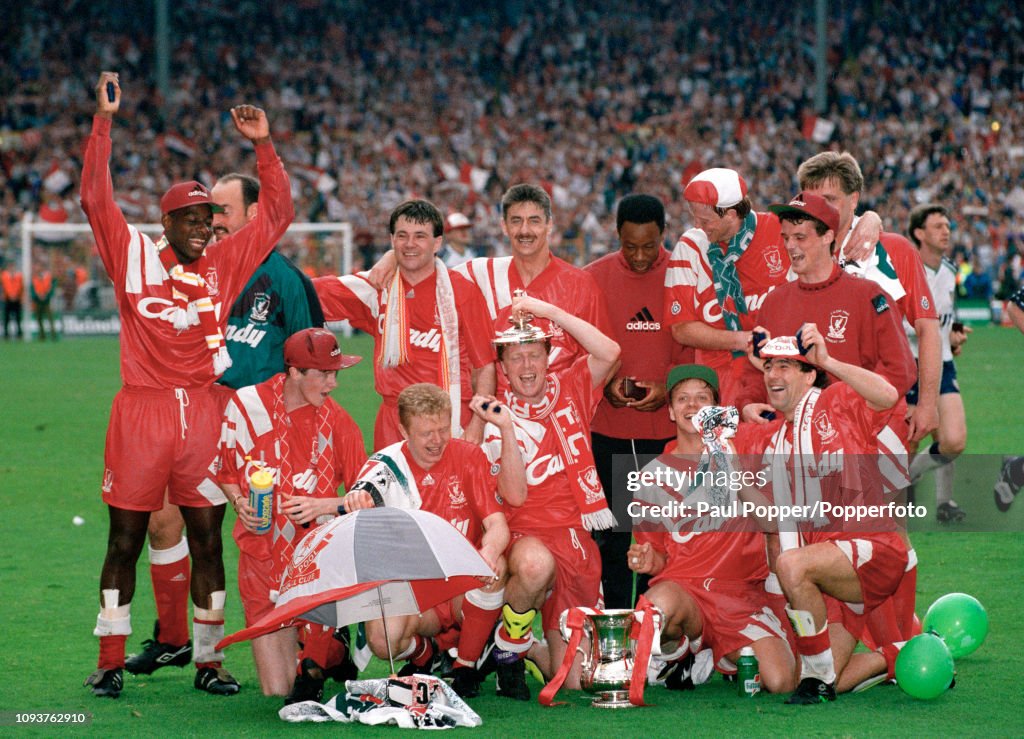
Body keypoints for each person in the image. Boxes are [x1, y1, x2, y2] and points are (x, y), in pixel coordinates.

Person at [80, 71, 294, 699]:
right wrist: (103, 123)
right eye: (193, 219)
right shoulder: (133, 257)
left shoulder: (225, 264)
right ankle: (110, 658)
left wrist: (263, 145)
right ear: (167, 222)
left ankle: (208, 660)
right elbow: (96, 199)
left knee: (206, 539)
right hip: (142, 414)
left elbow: (278, 214)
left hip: (204, 415)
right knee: (125, 539)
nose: (206, 228)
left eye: (210, 218)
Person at [124, 172, 326, 684]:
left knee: (268, 534)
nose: (212, 220)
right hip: (199, 412)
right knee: (166, 521)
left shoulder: (283, 279)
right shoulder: (195, 267)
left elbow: (307, 353)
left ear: (253, 216)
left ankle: (312, 643)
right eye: (207, 211)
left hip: (260, 424)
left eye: (222, 210)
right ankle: (173, 639)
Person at [744, 332, 908, 704]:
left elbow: (886, 395)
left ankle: (816, 682)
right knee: (820, 671)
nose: (773, 374)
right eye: (768, 366)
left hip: (872, 547)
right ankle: (895, 657)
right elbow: (771, 520)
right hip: (829, 572)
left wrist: (830, 361)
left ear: (808, 374)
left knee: (792, 565)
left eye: (784, 365)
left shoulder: (835, 399)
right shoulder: (774, 440)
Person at [477, 294, 620, 700]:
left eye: (534, 355)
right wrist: (505, 430)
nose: (527, 367)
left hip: (575, 538)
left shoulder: (570, 386)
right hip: (527, 540)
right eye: (516, 358)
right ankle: (508, 644)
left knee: (578, 683)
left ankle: (533, 650)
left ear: (547, 356)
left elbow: (610, 351)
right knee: (537, 565)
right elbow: (515, 495)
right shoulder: (497, 416)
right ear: (502, 368)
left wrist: (550, 313)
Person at [217, 328, 366, 702]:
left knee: (300, 687)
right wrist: (239, 503)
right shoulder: (246, 405)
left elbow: (368, 495)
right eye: (324, 374)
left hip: (313, 563)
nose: (333, 383)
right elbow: (224, 470)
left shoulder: (339, 423)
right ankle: (327, 649)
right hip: (261, 557)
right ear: (295, 372)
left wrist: (325, 506)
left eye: (336, 373)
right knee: (276, 690)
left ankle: (329, 646)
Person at [627, 364, 795, 693]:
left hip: (741, 595)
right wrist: (647, 561)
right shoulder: (651, 475)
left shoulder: (744, 454)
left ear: (716, 410)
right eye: (682, 399)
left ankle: (723, 655)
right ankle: (681, 651)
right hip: (686, 591)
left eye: (702, 398)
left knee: (780, 681)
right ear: (671, 412)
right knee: (654, 612)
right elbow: (659, 558)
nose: (692, 406)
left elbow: (772, 522)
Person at [341, 383, 512, 699]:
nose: (437, 440)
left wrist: (488, 549)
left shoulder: (468, 456)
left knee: (496, 565)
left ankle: (465, 666)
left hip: (460, 585)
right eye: (426, 433)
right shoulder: (385, 466)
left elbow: (498, 525)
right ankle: (425, 654)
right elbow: (361, 493)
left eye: (443, 429)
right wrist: (356, 499)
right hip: (416, 588)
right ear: (403, 429)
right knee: (382, 641)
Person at [314, 199, 496, 448]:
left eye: (420, 236)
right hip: (393, 421)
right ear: (392, 240)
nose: (410, 244)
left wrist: (478, 422)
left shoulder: (462, 292)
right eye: (402, 236)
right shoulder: (377, 288)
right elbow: (306, 292)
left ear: (438, 242)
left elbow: (485, 366)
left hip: (450, 417)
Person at [584, 193, 687, 608]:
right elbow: (576, 350)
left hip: (666, 434)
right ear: (617, 236)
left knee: (660, 534)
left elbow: (697, 349)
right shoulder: (593, 277)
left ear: (664, 234)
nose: (641, 255)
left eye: (650, 245)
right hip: (608, 430)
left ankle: (657, 633)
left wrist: (668, 387)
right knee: (611, 538)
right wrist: (603, 382)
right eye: (630, 246)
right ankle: (615, 630)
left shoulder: (684, 276)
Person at [796, 151, 940, 446]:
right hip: (809, 408)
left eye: (830, 199)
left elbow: (928, 330)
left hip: (879, 409)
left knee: (883, 492)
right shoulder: (793, 249)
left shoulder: (894, 250)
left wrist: (927, 404)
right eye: (811, 200)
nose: (819, 210)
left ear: (854, 199)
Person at [662, 168, 789, 404]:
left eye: (705, 220)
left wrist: (870, 220)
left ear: (731, 214)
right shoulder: (690, 246)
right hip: (718, 382)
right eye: (694, 217)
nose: (697, 225)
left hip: (777, 375)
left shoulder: (780, 231)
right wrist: (742, 340)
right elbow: (681, 329)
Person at [905, 204, 970, 522]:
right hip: (907, 366)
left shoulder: (947, 269)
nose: (946, 231)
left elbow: (946, 317)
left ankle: (913, 478)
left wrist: (954, 334)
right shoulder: (903, 269)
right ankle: (941, 502)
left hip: (941, 363)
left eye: (948, 225)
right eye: (937, 226)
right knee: (911, 440)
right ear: (919, 233)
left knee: (952, 439)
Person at [30, 263, 58, 340]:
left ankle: (53, 335)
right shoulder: (34, 278)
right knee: (39, 319)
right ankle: (42, 336)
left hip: (47, 301)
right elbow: (32, 289)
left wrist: (47, 295)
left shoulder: (48, 277)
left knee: (50, 318)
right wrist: (37, 296)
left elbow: (52, 286)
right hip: (38, 301)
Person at [2, 262, 24, 339]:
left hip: (16, 299)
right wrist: (9, 295)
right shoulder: (4, 276)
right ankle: (6, 334)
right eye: (10, 267)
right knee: (6, 318)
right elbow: (4, 286)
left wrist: (16, 295)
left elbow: (21, 287)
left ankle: (19, 334)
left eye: (13, 267)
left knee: (18, 318)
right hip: (8, 299)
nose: (11, 268)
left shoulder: (19, 276)